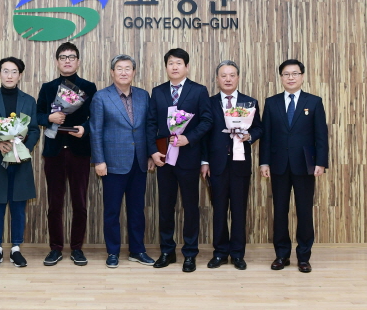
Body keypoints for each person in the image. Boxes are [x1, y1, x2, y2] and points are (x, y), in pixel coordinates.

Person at [146, 48, 213, 273]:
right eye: (170, 63)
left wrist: (188, 138)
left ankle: (190, 253)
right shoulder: (158, 92)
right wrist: (152, 152)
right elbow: (151, 123)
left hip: (189, 157)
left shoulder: (199, 90)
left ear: (187, 66)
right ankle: (167, 251)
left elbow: (207, 120)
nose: (174, 67)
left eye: (179, 63)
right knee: (165, 206)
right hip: (164, 158)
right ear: (166, 67)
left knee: (190, 206)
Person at [259, 59, 328, 273]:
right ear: (281, 77)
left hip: (305, 165)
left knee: (304, 211)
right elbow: (266, 136)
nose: (291, 77)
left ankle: (304, 257)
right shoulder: (272, 103)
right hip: (278, 164)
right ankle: (281, 255)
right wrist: (264, 162)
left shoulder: (314, 102)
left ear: (302, 76)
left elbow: (321, 135)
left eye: (295, 73)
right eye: (286, 74)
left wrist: (321, 162)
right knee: (280, 211)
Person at [90, 55, 155, 269]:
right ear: (112, 72)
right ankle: (113, 252)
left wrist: (150, 154)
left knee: (137, 210)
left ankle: (137, 250)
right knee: (112, 211)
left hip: (139, 162)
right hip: (112, 163)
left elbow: (149, 128)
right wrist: (99, 161)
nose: (124, 72)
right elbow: (96, 131)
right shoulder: (101, 97)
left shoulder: (144, 96)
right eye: (119, 68)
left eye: (128, 68)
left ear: (134, 72)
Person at [36, 42, 97, 266]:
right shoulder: (48, 87)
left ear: (78, 61)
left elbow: (96, 117)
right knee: (55, 204)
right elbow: (37, 115)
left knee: (79, 203)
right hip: (54, 152)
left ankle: (77, 248)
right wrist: (48, 118)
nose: (67, 61)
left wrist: (85, 129)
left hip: (79, 151)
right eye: (63, 57)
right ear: (57, 61)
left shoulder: (89, 87)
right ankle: (55, 248)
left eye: (71, 57)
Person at [201, 60, 263, 270]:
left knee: (239, 210)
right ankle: (219, 253)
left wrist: (249, 136)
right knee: (219, 210)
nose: (228, 79)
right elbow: (204, 135)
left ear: (238, 77)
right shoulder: (208, 103)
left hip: (240, 165)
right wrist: (204, 161)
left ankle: (237, 254)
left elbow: (259, 128)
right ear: (217, 79)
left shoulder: (249, 102)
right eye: (223, 75)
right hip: (216, 165)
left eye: (232, 75)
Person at [0, 57, 40, 268]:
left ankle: (16, 248)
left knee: (18, 205)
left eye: (14, 72)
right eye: (5, 71)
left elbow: (34, 130)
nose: (9, 75)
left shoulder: (29, 100)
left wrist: (23, 147)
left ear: (20, 75)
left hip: (20, 160)